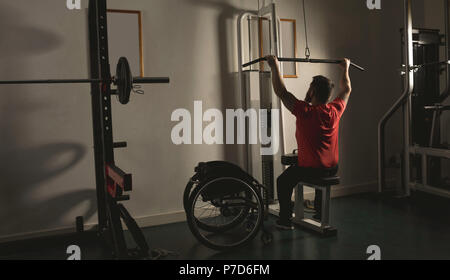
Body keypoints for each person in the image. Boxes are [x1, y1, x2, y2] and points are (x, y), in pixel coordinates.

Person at [265, 55, 351, 230]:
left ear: (312, 92)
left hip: (312, 170)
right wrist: (346, 68)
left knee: (283, 181)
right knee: (309, 162)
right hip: (331, 168)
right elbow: (347, 88)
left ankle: (285, 219)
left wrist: (274, 66)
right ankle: (319, 212)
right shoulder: (335, 110)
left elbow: (282, 92)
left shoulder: (305, 111)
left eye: (310, 88)